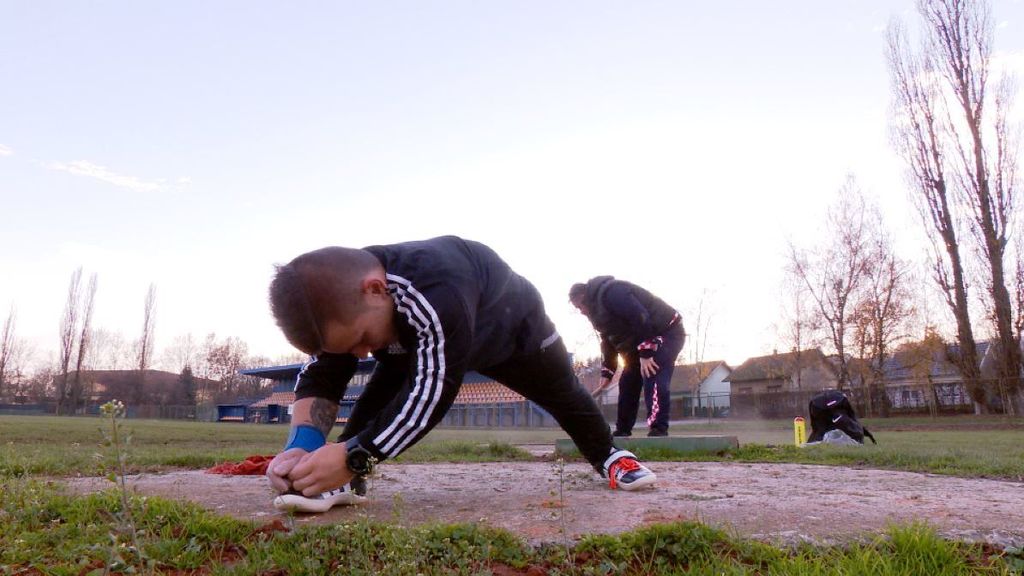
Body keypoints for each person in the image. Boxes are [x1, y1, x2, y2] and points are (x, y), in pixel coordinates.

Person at [265, 236, 657, 511]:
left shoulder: (436, 290)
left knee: (566, 396)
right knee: (385, 385)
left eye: (363, 338)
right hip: (430, 343)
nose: (363, 353)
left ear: (376, 289)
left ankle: (610, 456)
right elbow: (323, 373)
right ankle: (344, 478)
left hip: (513, 334)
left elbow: (433, 393)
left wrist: (356, 456)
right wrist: (304, 443)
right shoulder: (345, 295)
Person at [569, 277, 685, 438]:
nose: (581, 311)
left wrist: (646, 353)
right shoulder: (596, 314)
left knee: (653, 372)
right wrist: (607, 371)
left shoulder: (613, 292)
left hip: (666, 332)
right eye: (577, 309)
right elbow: (608, 340)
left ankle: (658, 429)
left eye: (580, 306)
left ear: (585, 296)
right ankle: (622, 430)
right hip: (639, 342)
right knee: (627, 381)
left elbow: (640, 316)